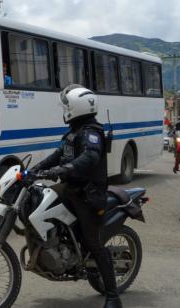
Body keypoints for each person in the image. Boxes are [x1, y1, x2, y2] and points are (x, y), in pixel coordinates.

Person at [31, 84, 121, 308]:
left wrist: (63, 170)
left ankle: (112, 296)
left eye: (66, 107)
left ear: (75, 109)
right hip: (72, 189)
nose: (64, 110)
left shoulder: (91, 133)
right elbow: (59, 154)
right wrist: (36, 169)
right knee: (41, 202)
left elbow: (90, 157)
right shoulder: (75, 131)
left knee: (93, 242)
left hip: (90, 195)